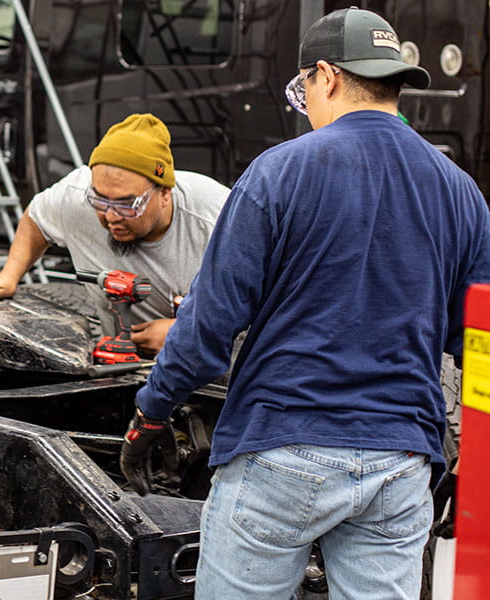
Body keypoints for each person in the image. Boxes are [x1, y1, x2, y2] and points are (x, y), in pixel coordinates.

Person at [119, 7, 490, 599]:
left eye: (303, 90)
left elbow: (210, 323)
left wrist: (152, 411)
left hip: (282, 446)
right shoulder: (461, 191)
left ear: (327, 76)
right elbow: (477, 340)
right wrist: (477, 448)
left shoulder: (278, 173)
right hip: (400, 462)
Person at [0, 113, 229, 355]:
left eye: (127, 205)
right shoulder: (76, 196)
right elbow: (37, 216)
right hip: (125, 361)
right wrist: (9, 275)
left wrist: (192, 333)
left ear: (165, 192)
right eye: (101, 202)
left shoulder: (220, 218)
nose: (111, 216)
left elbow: (268, 299)